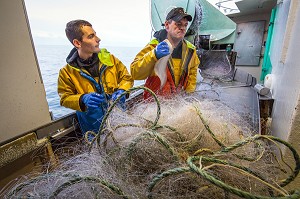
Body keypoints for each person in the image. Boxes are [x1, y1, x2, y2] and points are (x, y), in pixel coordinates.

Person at [58, 20, 133, 134]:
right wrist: (82, 99)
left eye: (95, 34)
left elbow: (126, 78)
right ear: (77, 43)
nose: (98, 39)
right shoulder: (66, 72)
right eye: (91, 36)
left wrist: (123, 90)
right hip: (93, 133)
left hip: (120, 126)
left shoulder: (111, 59)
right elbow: (64, 98)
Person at [130, 7, 200, 99]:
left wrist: (188, 98)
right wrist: (154, 54)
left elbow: (192, 75)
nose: (183, 28)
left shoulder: (191, 50)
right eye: (178, 24)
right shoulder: (154, 46)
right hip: (154, 105)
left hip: (177, 104)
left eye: (185, 25)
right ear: (167, 25)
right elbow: (135, 73)